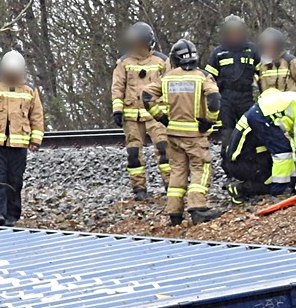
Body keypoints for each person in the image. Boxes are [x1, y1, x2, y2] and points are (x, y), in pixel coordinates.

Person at [142, 39, 222, 226]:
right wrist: (210, 120)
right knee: (200, 168)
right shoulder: (202, 76)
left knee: (177, 171)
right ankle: (197, 208)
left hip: (173, 134)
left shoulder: (167, 77)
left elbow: (146, 96)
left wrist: (161, 118)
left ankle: (174, 213)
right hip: (194, 135)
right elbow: (214, 98)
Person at [0, 50, 45, 226]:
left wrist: (35, 140)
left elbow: (37, 116)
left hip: (19, 144)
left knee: (15, 180)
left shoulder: (30, 91)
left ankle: (12, 215)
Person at [224, 89, 296, 203]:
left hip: (244, 159)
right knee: (283, 154)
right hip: (242, 163)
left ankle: (289, 185)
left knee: (283, 156)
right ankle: (247, 190)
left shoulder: (291, 109)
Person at [111, 22, 171, 200]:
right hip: (132, 116)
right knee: (133, 154)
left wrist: (168, 111)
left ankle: (171, 187)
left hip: (156, 115)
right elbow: (117, 86)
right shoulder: (124, 62)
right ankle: (139, 189)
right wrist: (117, 109)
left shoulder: (162, 61)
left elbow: (169, 86)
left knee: (164, 150)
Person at [206, 15, 259, 161]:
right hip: (226, 99)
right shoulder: (218, 53)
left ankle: (248, 162)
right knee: (227, 133)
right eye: (230, 32)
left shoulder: (252, 50)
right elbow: (209, 79)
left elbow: (264, 75)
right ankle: (228, 164)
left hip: (246, 97)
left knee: (249, 131)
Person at [257, 28, 296, 94]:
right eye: (265, 47)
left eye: (271, 46)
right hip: (270, 102)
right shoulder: (262, 65)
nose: (268, 49)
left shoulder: (290, 61)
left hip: (290, 102)